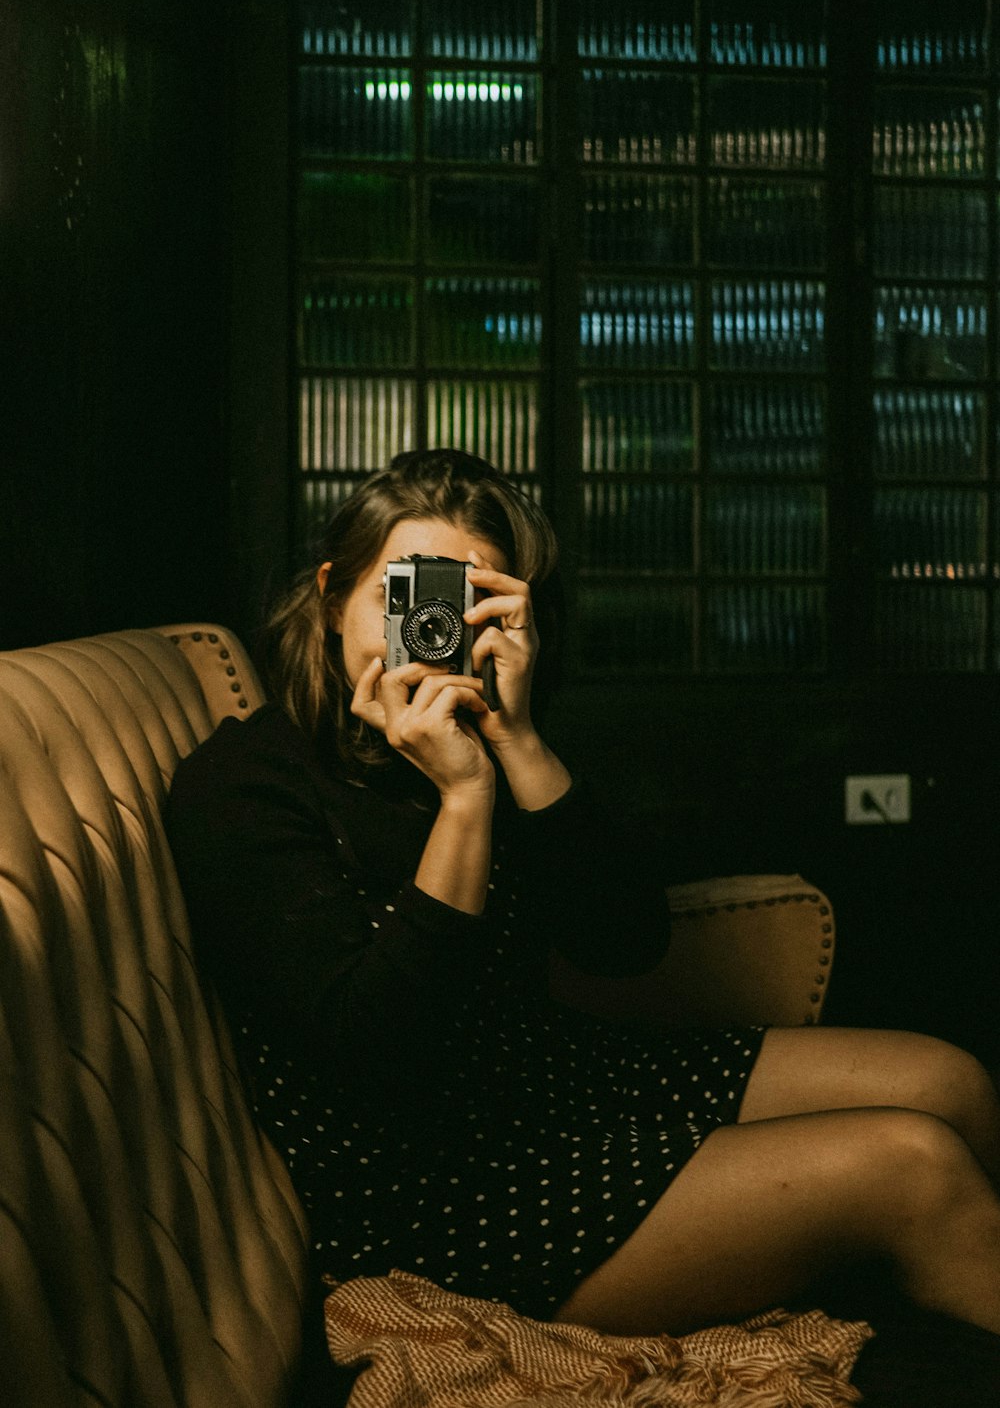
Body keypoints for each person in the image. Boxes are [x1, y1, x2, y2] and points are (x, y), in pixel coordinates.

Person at [166, 447, 1000, 1345]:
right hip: (433, 1187)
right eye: (402, 596)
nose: (430, 629)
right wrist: (462, 801)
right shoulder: (246, 784)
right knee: (912, 1165)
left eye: (462, 601)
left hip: (547, 1079)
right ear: (333, 599)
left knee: (946, 1081)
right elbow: (376, 1047)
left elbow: (623, 941)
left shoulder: (482, 731)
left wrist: (517, 740)